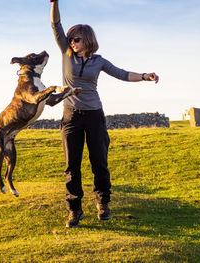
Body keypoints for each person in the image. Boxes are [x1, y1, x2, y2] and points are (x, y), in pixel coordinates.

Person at [50, 0, 159, 228]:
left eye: (76, 39)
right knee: (72, 165)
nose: (72, 42)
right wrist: (55, 3)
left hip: (94, 116)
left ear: (87, 40)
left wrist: (144, 75)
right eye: (70, 39)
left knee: (99, 162)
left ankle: (103, 204)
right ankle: (75, 210)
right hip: (71, 117)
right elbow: (56, 24)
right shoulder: (66, 53)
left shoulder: (99, 61)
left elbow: (121, 73)